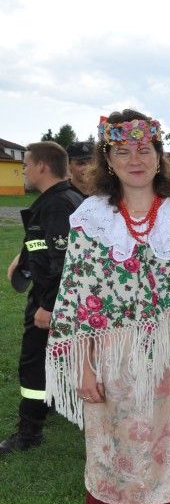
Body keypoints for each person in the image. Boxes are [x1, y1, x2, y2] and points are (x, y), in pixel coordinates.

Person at [44, 110, 170, 504]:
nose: (135, 159)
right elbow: (78, 296)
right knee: (131, 450)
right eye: (123, 151)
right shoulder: (91, 217)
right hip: (117, 354)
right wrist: (83, 367)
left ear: (159, 156)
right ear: (109, 159)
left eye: (144, 149)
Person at [1, 142, 83, 456]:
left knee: (33, 364)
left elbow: (63, 262)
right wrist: (22, 260)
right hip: (53, 296)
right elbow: (41, 247)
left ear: (42, 167)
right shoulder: (61, 199)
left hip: (52, 300)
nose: (23, 171)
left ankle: (29, 433)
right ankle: (54, 403)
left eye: (26, 165)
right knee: (55, 359)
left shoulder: (58, 204)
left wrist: (48, 306)